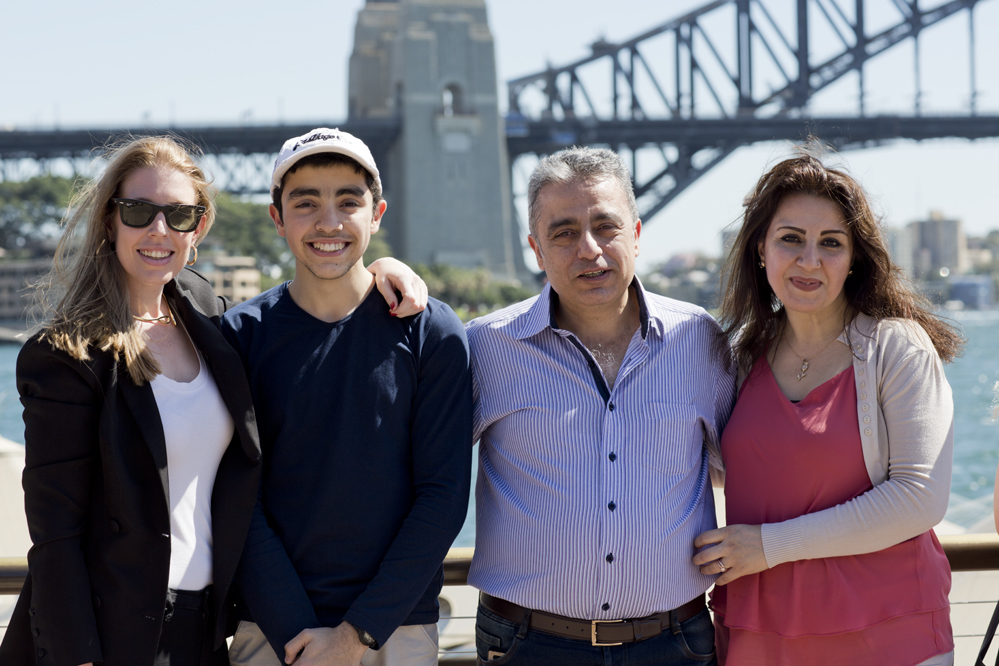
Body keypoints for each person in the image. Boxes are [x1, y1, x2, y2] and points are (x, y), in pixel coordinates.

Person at [0, 135, 428, 666]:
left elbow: (326, 286)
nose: (159, 231)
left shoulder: (208, 317)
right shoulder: (65, 354)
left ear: (198, 228)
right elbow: (54, 534)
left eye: (178, 216)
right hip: (109, 631)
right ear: (109, 221)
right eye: (139, 212)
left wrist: (384, 268)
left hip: (203, 629)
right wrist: (76, 656)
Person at [466, 146, 735, 665]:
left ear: (635, 233)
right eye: (563, 233)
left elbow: (743, 469)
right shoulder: (486, 348)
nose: (588, 249)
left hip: (673, 643)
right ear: (536, 249)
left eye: (605, 227)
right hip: (525, 645)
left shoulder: (701, 341)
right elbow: (419, 473)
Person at [692, 153, 961, 666]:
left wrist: (768, 546)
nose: (809, 260)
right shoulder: (738, 357)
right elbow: (710, 465)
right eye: (790, 238)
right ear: (760, 250)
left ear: (855, 257)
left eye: (831, 243)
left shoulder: (895, 347)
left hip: (887, 631)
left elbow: (920, 497)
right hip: (759, 630)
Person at [222, 128, 472, 666]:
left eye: (348, 201)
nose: (329, 222)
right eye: (306, 203)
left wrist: (356, 633)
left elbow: (444, 494)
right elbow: (237, 496)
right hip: (272, 629)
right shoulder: (238, 337)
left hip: (396, 628)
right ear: (277, 218)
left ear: (376, 213)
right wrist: (296, 629)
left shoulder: (433, 332)